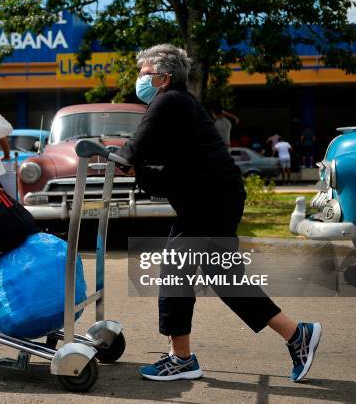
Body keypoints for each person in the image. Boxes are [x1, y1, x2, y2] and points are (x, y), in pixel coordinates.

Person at [116, 44, 321, 383]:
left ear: (164, 78)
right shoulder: (178, 104)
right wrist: (133, 163)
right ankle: (296, 334)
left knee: (175, 269)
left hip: (209, 203)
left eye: (144, 74)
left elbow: (137, 146)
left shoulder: (168, 101)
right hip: (213, 200)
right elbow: (161, 158)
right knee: (224, 278)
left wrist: (121, 158)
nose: (139, 80)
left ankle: (182, 358)